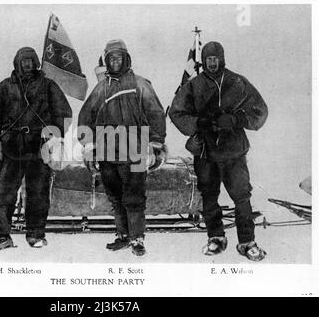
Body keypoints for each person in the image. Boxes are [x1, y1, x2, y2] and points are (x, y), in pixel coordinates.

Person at [169, 41, 268, 261]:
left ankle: (247, 242)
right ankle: (216, 238)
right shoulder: (194, 85)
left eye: (215, 58)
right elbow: (176, 112)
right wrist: (198, 123)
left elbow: (259, 111)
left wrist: (235, 119)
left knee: (242, 197)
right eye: (208, 59)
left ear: (221, 58)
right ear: (203, 61)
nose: (212, 63)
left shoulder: (237, 82)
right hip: (206, 151)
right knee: (209, 197)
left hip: (233, 151)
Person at [78, 39, 167, 256]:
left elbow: (155, 113)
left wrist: (155, 143)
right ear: (106, 60)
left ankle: (137, 238)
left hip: (136, 149)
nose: (115, 61)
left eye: (119, 57)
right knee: (115, 196)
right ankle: (122, 235)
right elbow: (85, 116)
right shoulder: (102, 88)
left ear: (126, 58)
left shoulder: (140, 84)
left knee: (134, 196)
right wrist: (89, 145)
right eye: (111, 58)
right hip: (107, 151)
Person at [0, 47, 72, 252]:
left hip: (40, 148)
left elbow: (63, 113)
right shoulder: (6, 86)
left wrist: (55, 137)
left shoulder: (48, 86)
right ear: (17, 63)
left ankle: (36, 234)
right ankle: (0, 236)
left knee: (38, 193)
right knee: (4, 194)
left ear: (36, 62)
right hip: (13, 147)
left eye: (31, 60)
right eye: (23, 61)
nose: (27, 64)